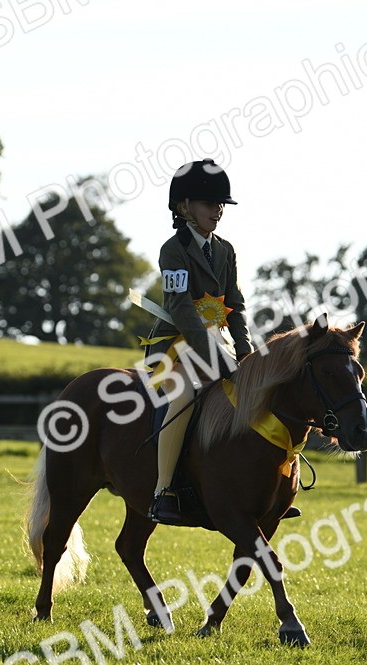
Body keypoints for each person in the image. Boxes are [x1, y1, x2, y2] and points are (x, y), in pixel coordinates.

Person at [145, 159, 253, 525]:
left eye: (221, 205)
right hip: (175, 345)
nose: (218, 211)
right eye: (210, 204)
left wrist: (245, 352)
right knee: (186, 394)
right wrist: (216, 358)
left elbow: (234, 306)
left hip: (216, 344)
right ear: (184, 206)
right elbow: (180, 308)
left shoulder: (226, 250)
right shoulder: (172, 250)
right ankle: (164, 490)